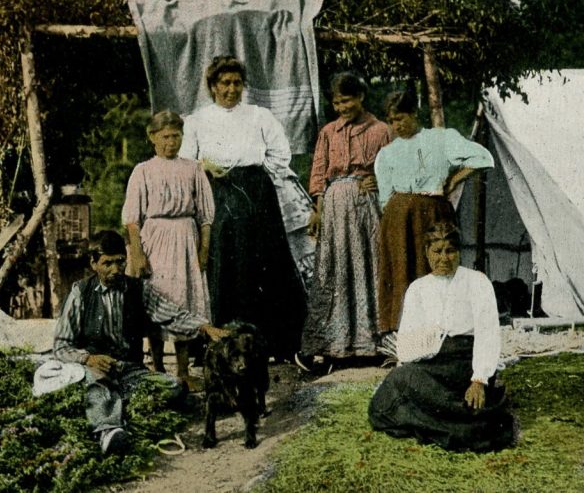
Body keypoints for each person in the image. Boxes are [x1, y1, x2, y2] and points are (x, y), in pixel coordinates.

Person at [178, 55, 308, 359]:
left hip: (256, 194)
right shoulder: (197, 121)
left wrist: (257, 178)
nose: (231, 89)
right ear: (212, 86)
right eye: (225, 83)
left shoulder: (258, 116)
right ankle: (220, 344)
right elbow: (184, 162)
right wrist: (203, 165)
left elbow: (280, 154)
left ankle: (275, 344)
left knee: (266, 263)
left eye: (237, 83)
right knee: (223, 263)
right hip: (217, 193)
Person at [53, 230, 226, 454]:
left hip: (130, 370)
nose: (116, 269)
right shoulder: (80, 293)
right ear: (93, 263)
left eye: (120, 262)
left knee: (173, 387)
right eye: (107, 263)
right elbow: (61, 345)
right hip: (94, 370)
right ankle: (109, 431)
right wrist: (89, 358)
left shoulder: (138, 289)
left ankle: (117, 402)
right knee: (97, 386)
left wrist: (204, 327)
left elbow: (171, 314)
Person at [368, 223, 514, 452]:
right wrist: (407, 369)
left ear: (459, 252)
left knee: (404, 390)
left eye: (450, 251)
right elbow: (408, 341)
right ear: (427, 252)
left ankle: (464, 423)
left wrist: (479, 380)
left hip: (466, 362)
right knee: (383, 403)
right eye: (437, 251)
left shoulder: (477, 281)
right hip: (432, 361)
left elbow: (488, 332)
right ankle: (457, 421)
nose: (444, 258)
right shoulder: (418, 288)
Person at [373, 90, 494, 333]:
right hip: (399, 220)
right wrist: (397, 218)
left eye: (401, 118)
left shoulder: (441, 139)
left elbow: (483, 157)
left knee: (435, 268)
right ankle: (403, 335)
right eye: (391, 120)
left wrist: (454, 179)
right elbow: (385, 198)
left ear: (414, 114)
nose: (397, 125)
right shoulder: (387, 153)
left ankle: (441, 330)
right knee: (402, 272)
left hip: (433, 214)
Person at [299, 72, 392, 362]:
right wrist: (317, 207)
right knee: (335, 269)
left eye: (347, 100)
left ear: (361, 97)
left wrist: (379, 180)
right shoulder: (328, 132)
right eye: (337, 103)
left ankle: (372, 344)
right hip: (335, 206)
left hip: (366, 205)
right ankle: (336, 345)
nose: (342, 107)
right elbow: (318, 172)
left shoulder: (380, 130)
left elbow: (392, 165)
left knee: (368, 266)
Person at [123, 110, 215, 387]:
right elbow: (131, 218)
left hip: (186, 240)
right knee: (156, 301)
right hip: (155, 241)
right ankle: (158, 367)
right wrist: (137, 254)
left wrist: (204, 250)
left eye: (176, 136)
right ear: (152, 138)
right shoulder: (143, 170)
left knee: (183, 302)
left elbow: (206, 216)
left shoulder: (193, 169)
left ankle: (184, 371)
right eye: (165, 137)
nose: (171, 142)